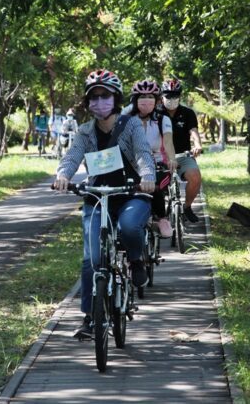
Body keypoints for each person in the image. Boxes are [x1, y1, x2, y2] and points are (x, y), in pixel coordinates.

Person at [53, 69, 156, 338]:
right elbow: (72, 156)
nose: (100, 102)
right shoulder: (85, 131)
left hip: (132, 193)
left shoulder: (131, 125)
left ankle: (135, 262)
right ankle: (90, 317)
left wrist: (147, 177)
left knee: (130, 227)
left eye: (105, 96)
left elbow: (144, 153)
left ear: (116, 99)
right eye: (94, 98)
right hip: (97, 196)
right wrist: (63, 175)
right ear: (88, 103)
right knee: (91, 259)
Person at [127, 79, 176, 238]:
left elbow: (168, 142)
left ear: (156, 100)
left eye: (150, 97)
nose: (146, 100)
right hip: (130, 163)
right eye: (142, 97)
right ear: (134, 100)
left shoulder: (163, 119)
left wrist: (171, 159)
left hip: (157, 162)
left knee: (155, 187)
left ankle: (161, 218)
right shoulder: (125, 117)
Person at [159, 78, 204, 222]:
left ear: (180, 96)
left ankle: (187, 207)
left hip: (183, 155)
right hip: (161, 157)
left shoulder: (188, 113)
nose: (171, 99)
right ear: (161, 96)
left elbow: (194, 131)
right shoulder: (156, 113)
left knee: (195, 176)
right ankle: (157, 216)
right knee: (154, 185)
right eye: (168, 96)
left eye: (175, 96)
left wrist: (197, 145)